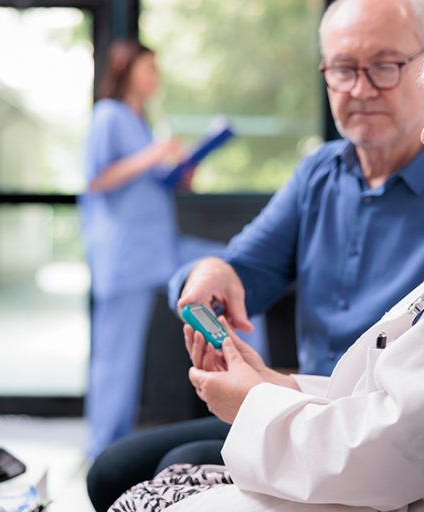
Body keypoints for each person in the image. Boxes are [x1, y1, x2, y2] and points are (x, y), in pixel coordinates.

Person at [110, 2, 424, 510]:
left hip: (351, 447)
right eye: (342, 69)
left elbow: (394, 445)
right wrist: (217, 284)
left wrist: (257, 399)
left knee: (160, 479)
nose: (360, 89)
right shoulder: (324, 174)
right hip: (332, 420)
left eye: (383, 66)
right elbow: (243, 271)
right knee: (128, 469)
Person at [81, 40, 237, 459]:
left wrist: (181, 170)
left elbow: (151, 183)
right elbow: (96, 180)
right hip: (125, 253)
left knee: (229, 267)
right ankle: (102, 450)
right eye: (148, 68)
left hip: (160, 246)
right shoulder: (109, 116)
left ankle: (245, 400)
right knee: (117, 357)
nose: (156, 77)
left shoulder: (141, 123)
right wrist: (153, 155)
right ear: (126, 70)